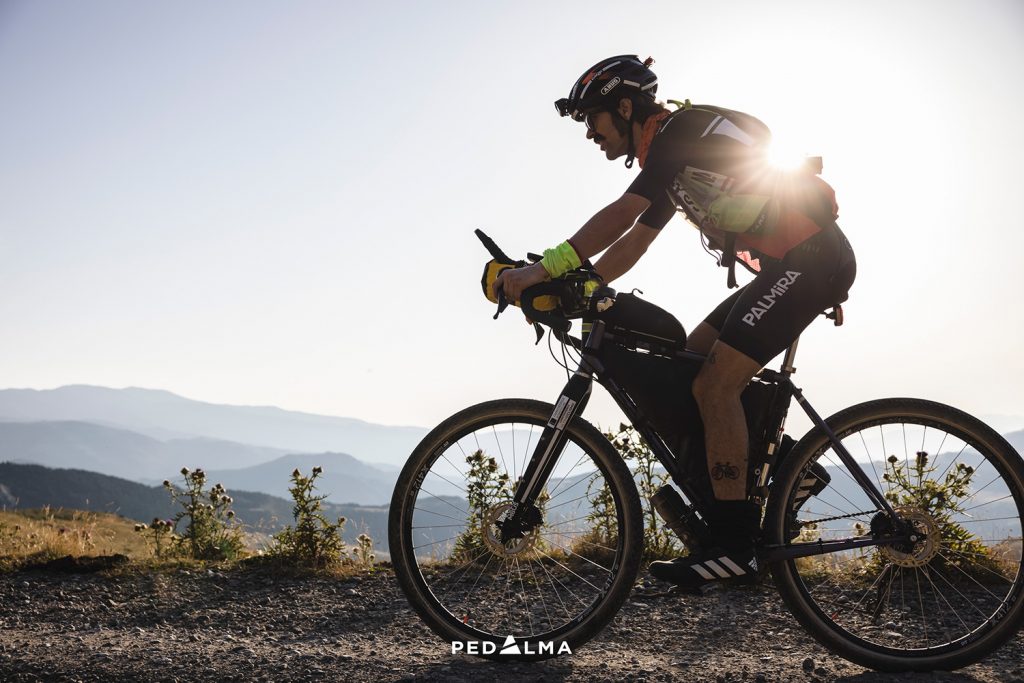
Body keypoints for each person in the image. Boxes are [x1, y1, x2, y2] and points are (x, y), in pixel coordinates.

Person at [493, 54, 856, 590]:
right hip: (796, 266)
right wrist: (579, 286)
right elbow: (635, 241)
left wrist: (542, 269)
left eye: (592, 119)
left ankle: (733, 544)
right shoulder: (672, 159)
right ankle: (785, 472)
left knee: (715, 384)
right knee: (692, 361)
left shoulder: (678, 134)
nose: (590, 133)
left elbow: (621, 214)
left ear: (624, 107)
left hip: (812, 262)